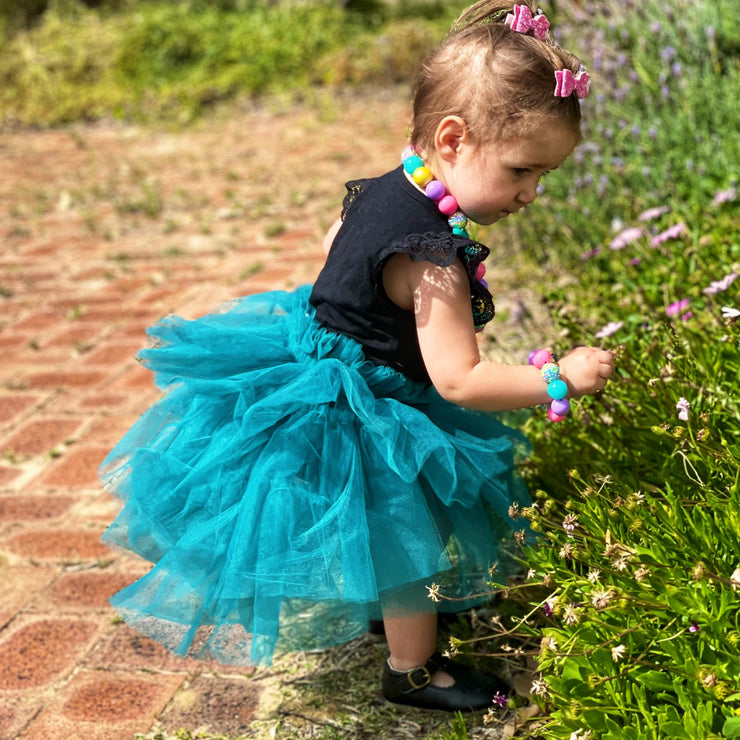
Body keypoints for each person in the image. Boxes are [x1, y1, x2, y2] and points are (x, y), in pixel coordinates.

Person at [100, 0, 614, 714]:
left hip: (310, 354)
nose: (532, 194)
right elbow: (461, 379)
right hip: (362, 407)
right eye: (525, 170)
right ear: (454, 139)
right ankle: (411, 668)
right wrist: (560, 377)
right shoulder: (436, 263)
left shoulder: (389, 185)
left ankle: (395, 617)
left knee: (385, 523)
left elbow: (332, 243)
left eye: (544, 178)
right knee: (405, 535)